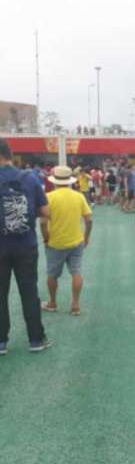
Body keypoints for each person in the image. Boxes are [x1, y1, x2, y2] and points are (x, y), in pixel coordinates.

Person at [0, 139, 52, 355]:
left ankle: (1, 342)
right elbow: (46, 212)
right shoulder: (29, 178)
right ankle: (36, 339)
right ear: (10, 154)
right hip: (26, 245)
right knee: (29, 292)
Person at [40, 166, 93, 316]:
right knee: (76, 272)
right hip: (76, 241)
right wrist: (86, 237)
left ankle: (52, 303)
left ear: (54, 181)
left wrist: (46, 238)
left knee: (52, 274)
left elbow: (43, 223)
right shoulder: (79, 196)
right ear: (70, 181)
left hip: (55, 243)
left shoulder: (49, 197)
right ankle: (76, 305)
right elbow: (89, 221)